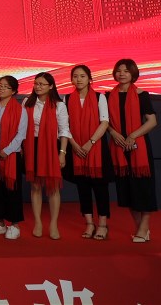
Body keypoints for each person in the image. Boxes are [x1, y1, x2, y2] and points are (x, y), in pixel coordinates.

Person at [106, 59, 158, 243]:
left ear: (133, 73)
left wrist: (133, 136)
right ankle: (140, 229)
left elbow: (152, 121)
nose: (122, 74)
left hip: (138, 148)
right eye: (119, 71)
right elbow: (105, 122)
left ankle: (143, 228)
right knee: (127, 190)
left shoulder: (141, 95)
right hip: (118, 147)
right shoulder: (108, 96)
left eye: (126, 71)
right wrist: (113, 133)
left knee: (143, 189)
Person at [64, 65, 112, 240]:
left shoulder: (100, 97)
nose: (79, 79)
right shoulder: (67, 99)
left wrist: (90, 143)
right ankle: (89, 223)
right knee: (82, 187)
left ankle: (103, 225)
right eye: (75, 76)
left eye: (83, 76)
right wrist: (74, 144)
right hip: (76, 148)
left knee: (100, 188)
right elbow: (64, 125)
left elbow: (104, 122)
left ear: (90, 79)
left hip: (96, 148)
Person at [23, 72, 70, 240]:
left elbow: (64, 130)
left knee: (53, 187)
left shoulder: (59, 105)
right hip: (32, 146)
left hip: (51, 147)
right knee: (35, 186)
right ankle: (38, 222)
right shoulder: (27, 102)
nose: (38, 87)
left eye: (42, 84)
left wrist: (62, 153)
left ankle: (53, 224)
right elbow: (22, 127)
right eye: (36, 83)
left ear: (51, 86)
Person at [0, 76, 27, 240]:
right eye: (0, 85)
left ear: (13, 91)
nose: (1, 89)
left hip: (11, 156)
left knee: (12, 191)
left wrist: (6, 151)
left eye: (6, 87)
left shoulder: (20, 110)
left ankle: (14, 225)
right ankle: (0, 223)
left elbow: (21, 135)